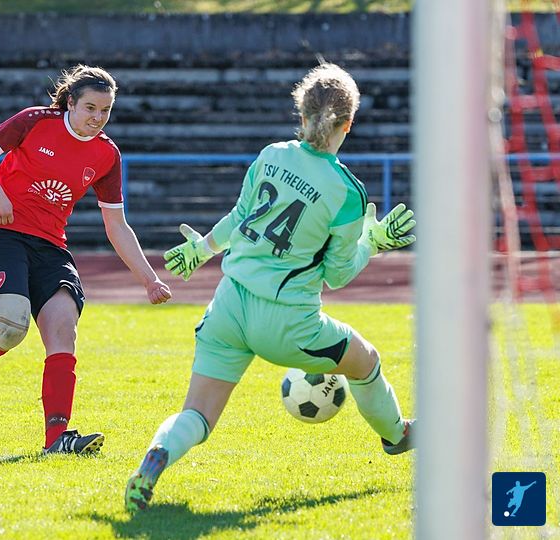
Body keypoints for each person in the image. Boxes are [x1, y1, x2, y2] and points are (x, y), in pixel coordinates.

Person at [124, 63, 417, 511]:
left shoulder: (271, 154)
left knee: (198, 414)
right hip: (289, 323)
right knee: (366, 361)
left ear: (301, 115)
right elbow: (338, 275)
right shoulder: (347, 192)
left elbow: (240, 217)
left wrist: (202, 249)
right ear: (348, 124)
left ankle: (157, 453)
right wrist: (373, 243)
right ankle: (397, 436)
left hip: (228, 306)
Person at [0, 64, 172, 454]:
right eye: (90, 108)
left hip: (50, 248)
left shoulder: (107, 154)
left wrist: (148, 278)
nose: (97, 118)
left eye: (105, 111)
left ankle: (56, 439)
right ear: (70, 102)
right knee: (11, 327)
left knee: (62, 332)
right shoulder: (35, 122)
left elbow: (117, 225)